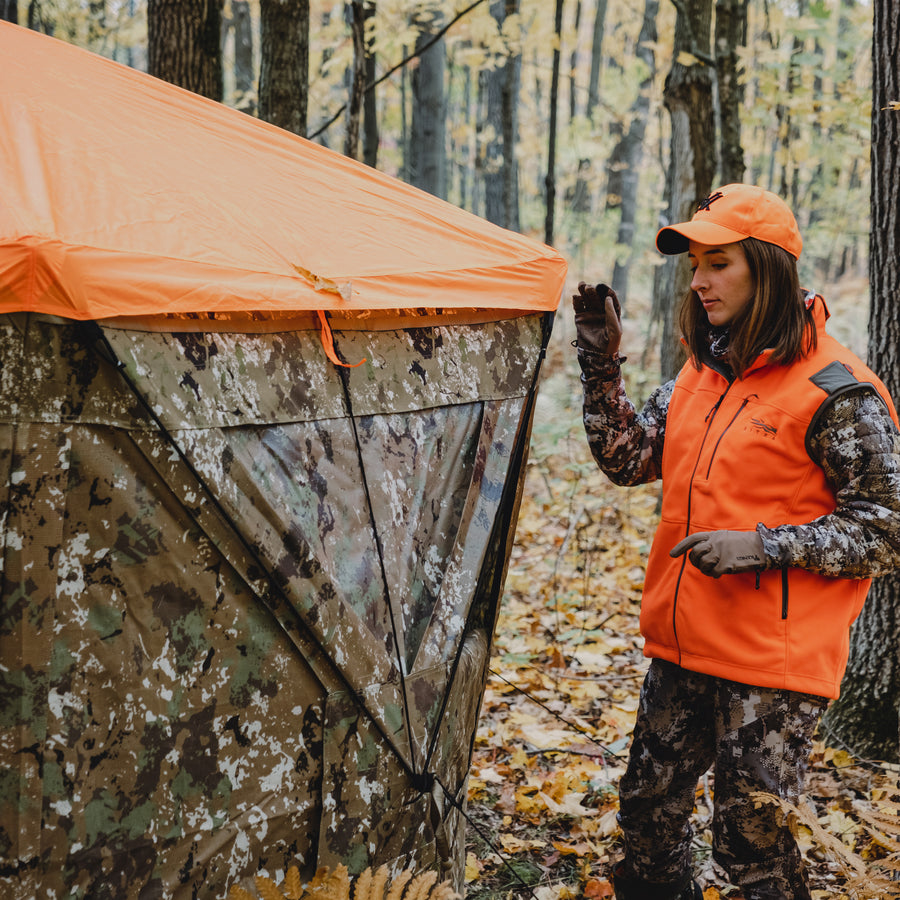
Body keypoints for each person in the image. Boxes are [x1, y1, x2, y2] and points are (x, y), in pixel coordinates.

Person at [573, 183, 900, 900]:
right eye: (695, 263)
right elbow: (630, 458)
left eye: (718, 263)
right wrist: (601, 368)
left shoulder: (838, 392)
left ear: (767, 268)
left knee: (752, 854)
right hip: (682, 645)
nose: (698, 280)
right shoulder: (700, 372)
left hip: (771, 667)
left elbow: (886, 528)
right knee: (647, 818)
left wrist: (764, 546)